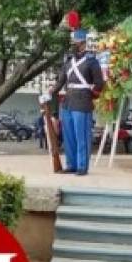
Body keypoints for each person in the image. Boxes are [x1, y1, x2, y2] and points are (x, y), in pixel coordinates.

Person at [44, 29, 104, 176]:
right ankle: (71, 164)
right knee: (69, 135)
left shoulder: (91, 61)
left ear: (83, 43)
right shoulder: (68, 61)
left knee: (81, 135)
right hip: (68, 101)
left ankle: (82, 166)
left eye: (76, 42)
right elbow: (61, 81)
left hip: (82, 101)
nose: (73, 45)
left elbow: (99, 83)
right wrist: (52, 90)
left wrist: (90, 95)